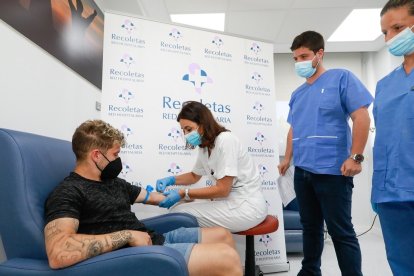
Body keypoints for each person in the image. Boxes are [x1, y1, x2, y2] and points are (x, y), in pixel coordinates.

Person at [43, 119, 242, 276]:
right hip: (132, 256)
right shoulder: (69, 191)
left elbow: (154, 198)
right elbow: (58, 252)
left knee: (222, 236)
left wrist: (181, 195)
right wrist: (127, 236)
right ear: (96, 155)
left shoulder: (114, 182)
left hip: (154, 240)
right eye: (115, 154)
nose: (118, 160)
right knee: (227, 258)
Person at [277, 31, 373, 276]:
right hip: (303, 172)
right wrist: (288, 159)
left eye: (304, 56)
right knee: (309, 227)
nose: (299, 62)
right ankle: (310, 272)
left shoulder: (341, 78)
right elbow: (293, 129)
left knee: (341, 230)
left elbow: (361, 116)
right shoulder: (297, 94)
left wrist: (356, 157)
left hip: (332, 171)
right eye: (296, 58)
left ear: (319, 54)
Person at [156, 101, 267, 233]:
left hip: (247, 206)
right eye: (184, 130)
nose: (186, 135)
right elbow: (194, 176)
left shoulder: (226, 140)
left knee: (180, 214)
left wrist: (182, 193)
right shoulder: (205, 146)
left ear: (203, 125)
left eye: (189, 129)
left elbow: (223, 189)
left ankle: (199, 252)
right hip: (231, 202)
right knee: (178, 207)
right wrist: (170, 180)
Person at [372, 1, 414, 274]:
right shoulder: (385, 84)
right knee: (401, 262)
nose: (391, 38)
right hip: (391, 189)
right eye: (386, 32)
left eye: (397, 27)